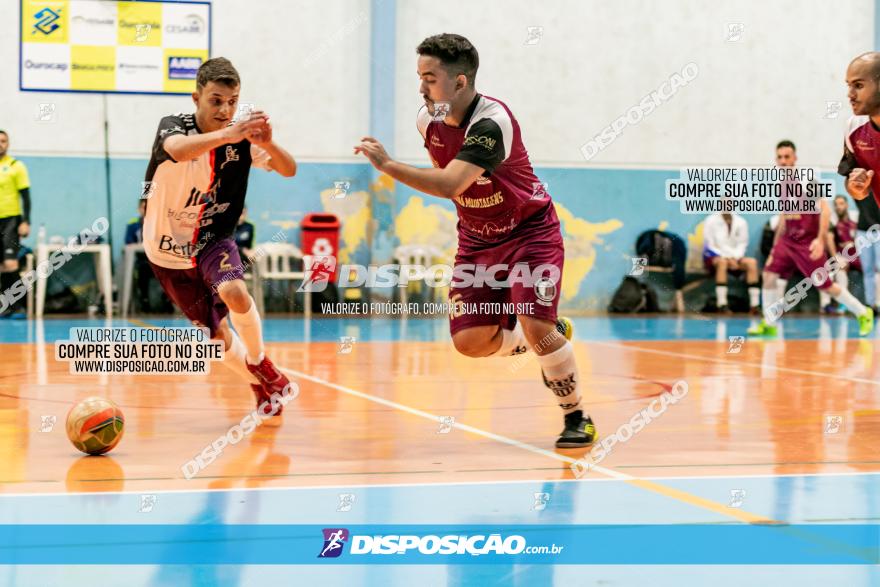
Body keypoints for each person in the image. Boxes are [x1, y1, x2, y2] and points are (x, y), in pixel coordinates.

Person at [354, 33, 596, 448]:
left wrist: (388, 165)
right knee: (470, 343)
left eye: (430, 78)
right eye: (419, 77)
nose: (421, 87)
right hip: (477, 241)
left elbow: (451, 184)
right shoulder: (425, 121)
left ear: (460, 82)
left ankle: (576, 416)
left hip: (529, 232)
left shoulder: (492, 122)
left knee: (536, 324)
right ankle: (547, 335)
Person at [142, 57, 298, 412]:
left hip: (213, 236)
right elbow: (179, 151)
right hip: (167, 249)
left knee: (235, 292)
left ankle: (260, 362)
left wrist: (270, 144)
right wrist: (231, 132)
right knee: (215, 338)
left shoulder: (240, 141)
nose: (226, 109)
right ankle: (255, 383)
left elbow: (289, 170)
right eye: (216, 100)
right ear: (196, 98)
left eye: (232, 101)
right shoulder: (173, 126)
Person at [748, 140, 873, 337]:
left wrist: (820, 240)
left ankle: (863, 312)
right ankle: (769, 322)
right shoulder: (781, 183)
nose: (783, 161)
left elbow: (824, 210)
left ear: (795, 158)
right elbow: (784, 214)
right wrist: (774, 246)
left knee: (827, 286)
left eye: (787, 157)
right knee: (768, 276)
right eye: (779, 157)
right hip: (786, 242)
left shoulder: (807, 181)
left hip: (808, 244)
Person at [840, 51, 880, 313]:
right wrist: (855, 188)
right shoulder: (854, 128)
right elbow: (850, 180)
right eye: (848, 86)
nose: (850, 94)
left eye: (858, 85)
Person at [702, 212, 760, 313]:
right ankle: (722, 304)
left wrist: (735, 258)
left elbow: (743, 243)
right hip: (714, 256)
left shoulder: (741, 222)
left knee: (752, 263)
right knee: (722, 263)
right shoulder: (710, 220)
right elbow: (710, 244)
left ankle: (754, 305)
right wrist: (727, 258)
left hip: (736, 257)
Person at [0, 130, 31, 319]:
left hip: (11, 220)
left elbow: (26, 197)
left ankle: (21, 306)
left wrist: (26, 221)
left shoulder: (16, 166)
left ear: (8, 144)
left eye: (3, 141)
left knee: (11, 263)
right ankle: (7, 306)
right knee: (2, 266)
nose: (0, 144)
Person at [821, 195, 861, 314]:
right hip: (841, 257)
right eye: (836, 204)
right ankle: (843, 305)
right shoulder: (832, 222)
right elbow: (829, 239)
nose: (839, 207)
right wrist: (835, 257)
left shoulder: (856, 220)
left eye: (841, 203)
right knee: (839, 268)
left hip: (858, 256)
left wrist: (853, 243)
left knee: (875, 271)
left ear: (847, 205)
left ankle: (877, 304)